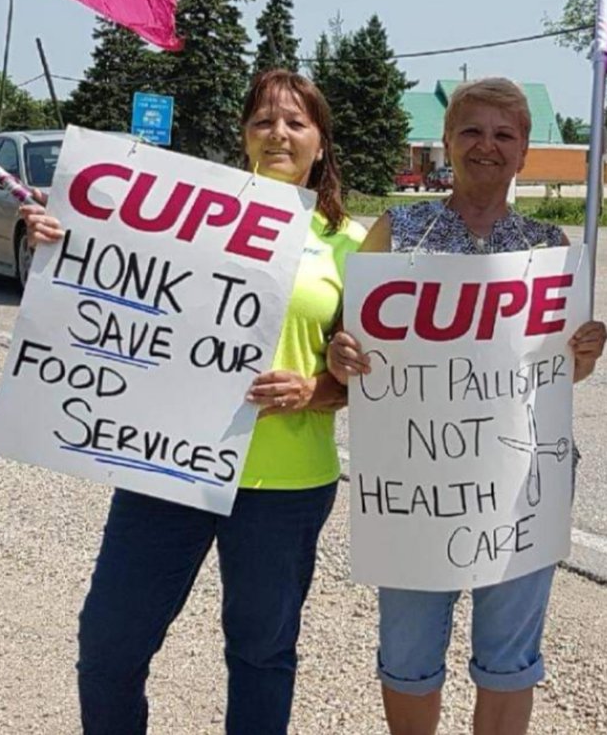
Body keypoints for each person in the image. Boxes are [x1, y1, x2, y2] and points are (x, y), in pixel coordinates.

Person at [21, 70, 367, 735]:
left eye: (295, 123)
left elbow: (362, 376)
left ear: (321, 142)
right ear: (244, 135)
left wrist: (312, 390)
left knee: (262, 654)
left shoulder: (350, 243)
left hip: (284, 485)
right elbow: (107, 272)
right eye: (263, 121)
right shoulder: (189, 216)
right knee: (109, 646)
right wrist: (59, 240)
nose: (278, 134)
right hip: (165, 466)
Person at [327, 77, 607, 735]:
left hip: (522, 488)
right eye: (472, 131)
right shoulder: (398, 231)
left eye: (504, 134)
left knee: (510, 659)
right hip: (416, 486)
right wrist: (341, 354)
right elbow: (347, 341)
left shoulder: (548, 247)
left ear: (524, 152)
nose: (488, 145)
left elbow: (565, 373)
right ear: (448, 142)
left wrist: (586, 351)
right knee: (408, 655)